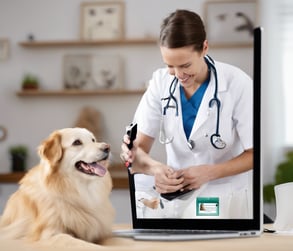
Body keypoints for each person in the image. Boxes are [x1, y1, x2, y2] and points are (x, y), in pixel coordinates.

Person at [120, 9, 253, 218]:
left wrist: (209, 172)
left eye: (185, 65)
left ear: (204, 48)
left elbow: (254, 155)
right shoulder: (160, 83)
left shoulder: (237, 84)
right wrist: (156, 170)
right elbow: (136, 152)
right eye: (170, 66)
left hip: (224, 197)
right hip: (177, 199)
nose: (179, 74)